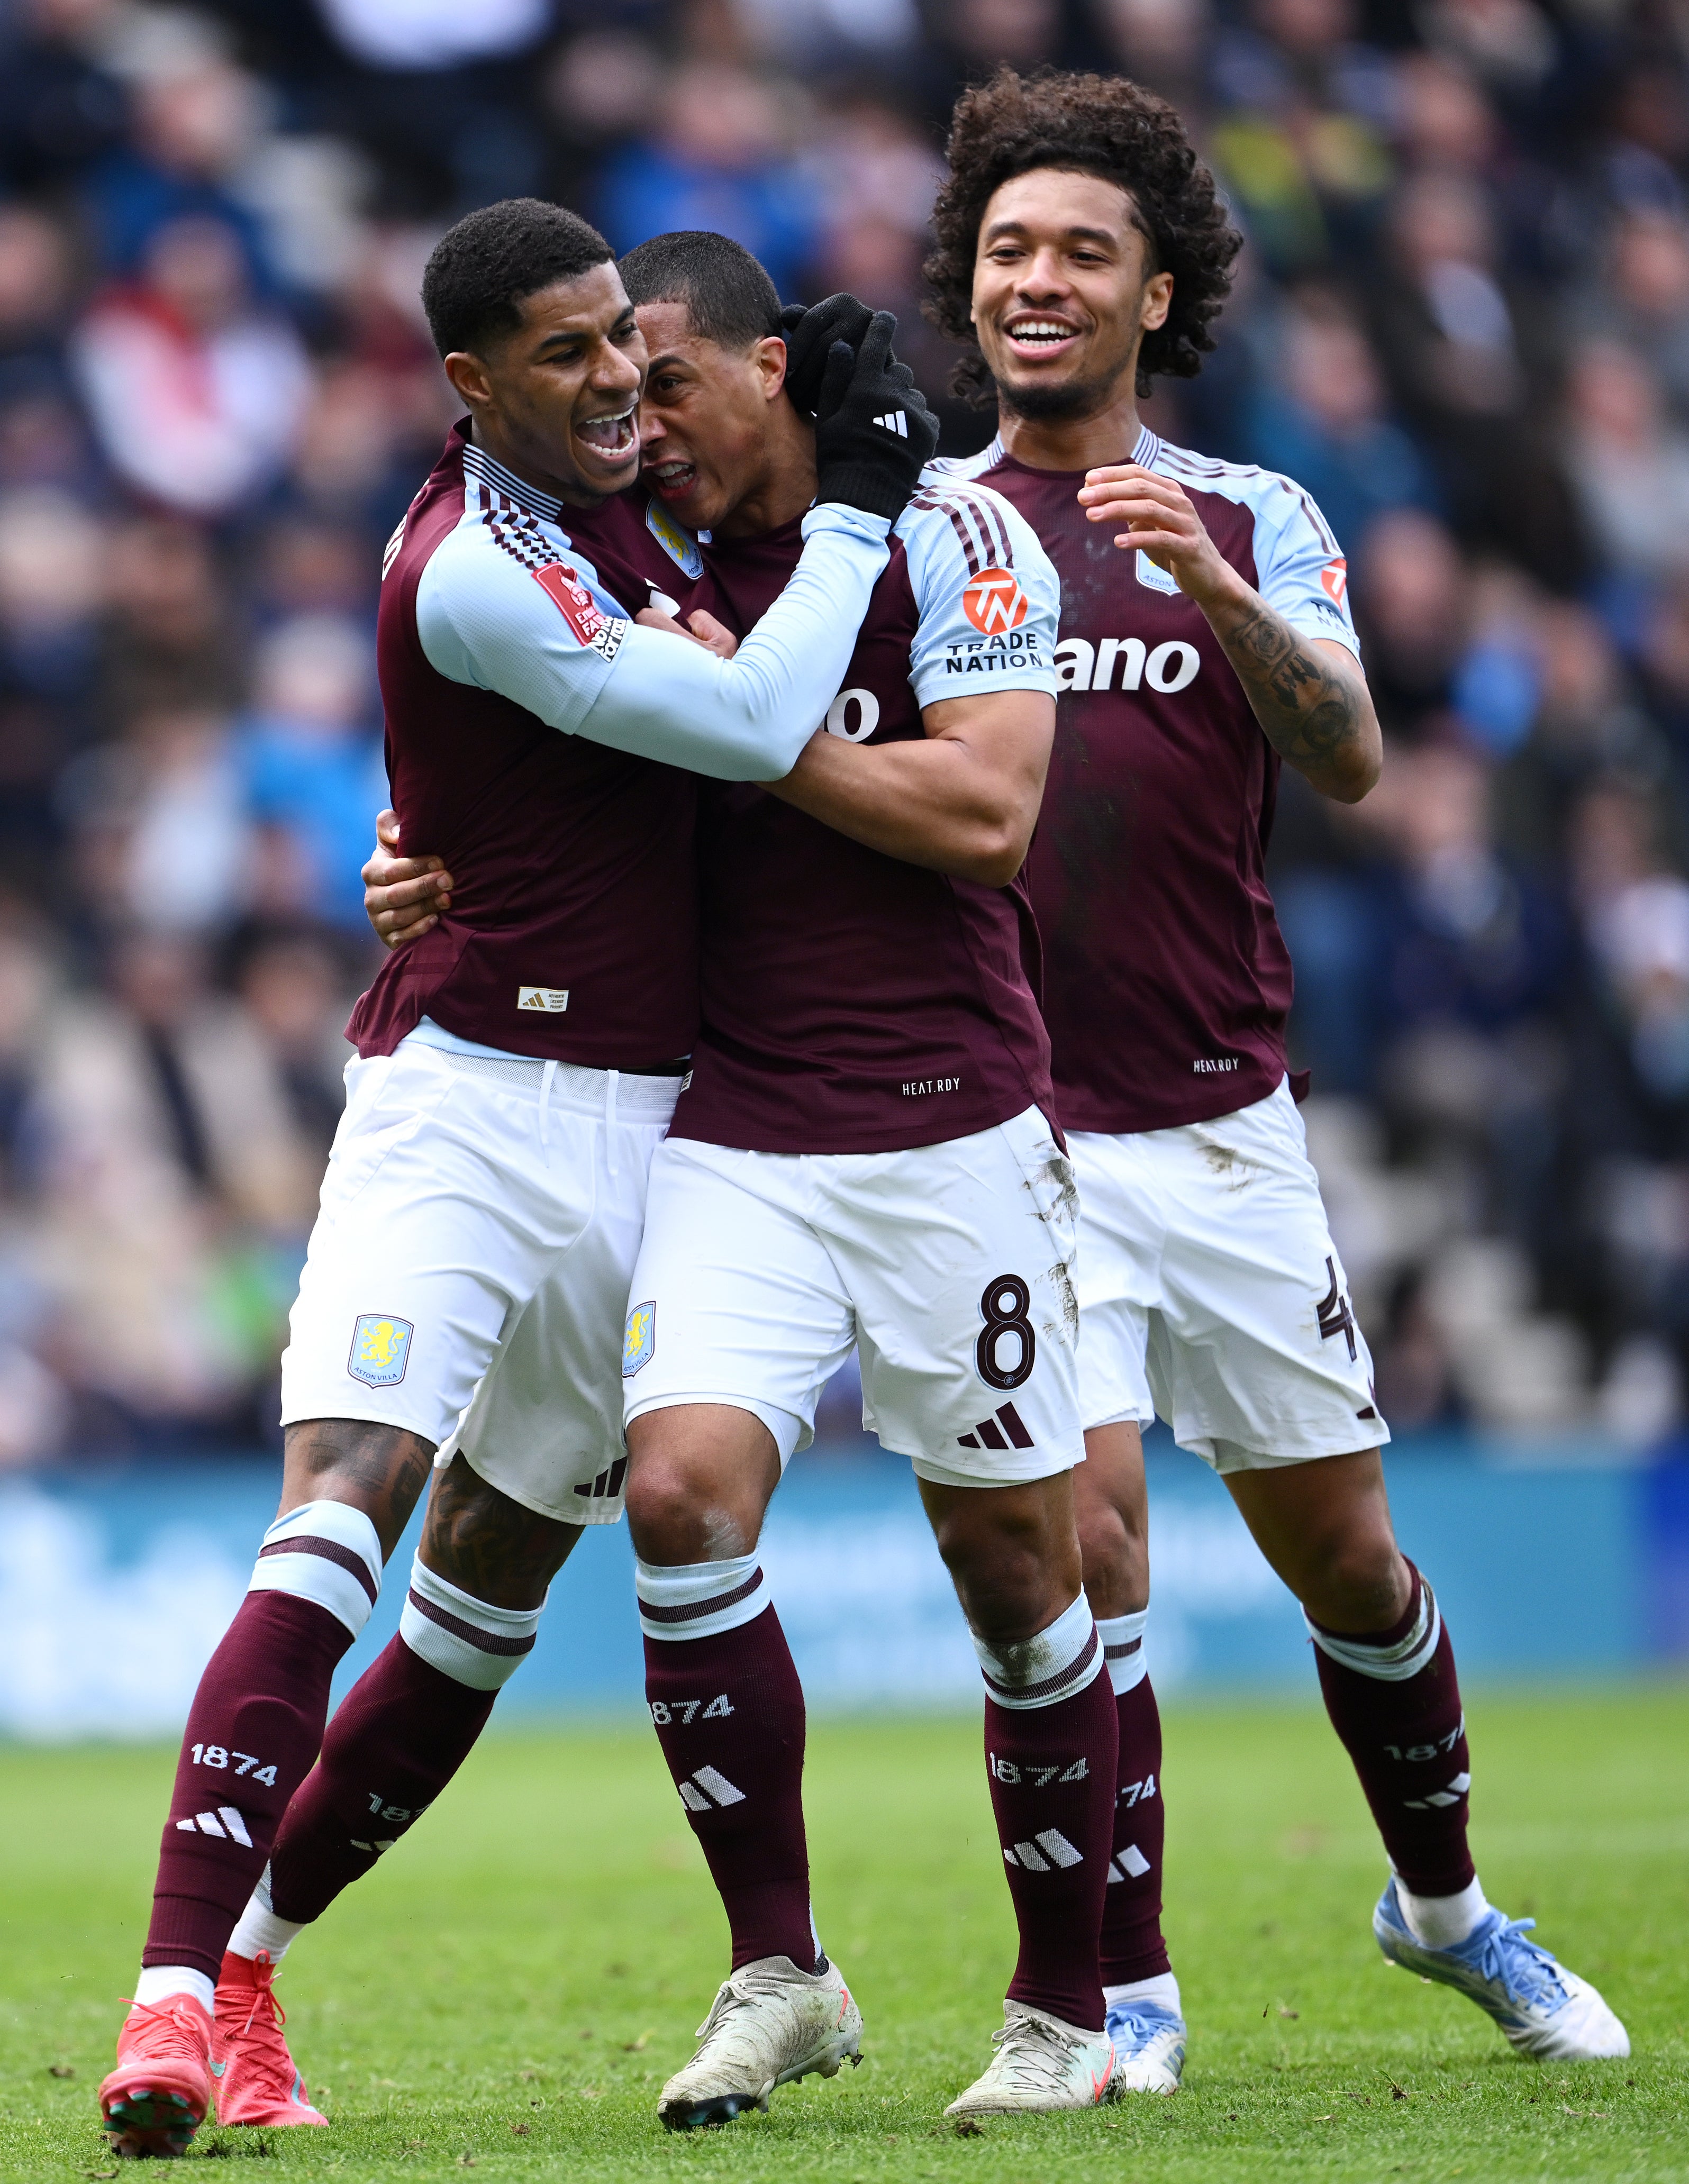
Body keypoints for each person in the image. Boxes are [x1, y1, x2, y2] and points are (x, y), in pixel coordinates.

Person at [95, 196, 936, 2161]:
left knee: (487, 1593)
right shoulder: (474, 562)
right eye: (563, 357)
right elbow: (737, 721)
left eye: (623, 342)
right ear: (472, 386)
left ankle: (257, 1970)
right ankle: (160, 1995)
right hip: (465, 1098)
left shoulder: (650, 501)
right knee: (344, 1501)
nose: (615, 383)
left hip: (663, 1126)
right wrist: (863, 518)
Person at [282, 230, 1120, 2130]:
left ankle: (1063, 2008)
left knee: (1015, 1562)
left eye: (664, 381)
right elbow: (541, 759)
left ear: (766, 372)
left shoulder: (956, 539)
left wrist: (763, 731)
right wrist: (428, 871)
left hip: (954, 1118)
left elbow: (989, 821)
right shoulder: (631, 566)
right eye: (606, 382)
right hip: (728, 1123)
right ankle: (778, 1971)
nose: (632, 419)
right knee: (674, 1496)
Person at [920, 66, 1628, 2080]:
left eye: (1080, 252)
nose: (1036, 282)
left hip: (1224, 1124)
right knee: (1090, 1548)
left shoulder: (1260, 513)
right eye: (1006, 252)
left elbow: (1351, 758)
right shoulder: (917, 534)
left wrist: (1209, 592)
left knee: (1354, 1569)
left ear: (1156, 294)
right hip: (1005, 1132)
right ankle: (1124, 1986)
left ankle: (1448, 1909)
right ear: (971, 290)